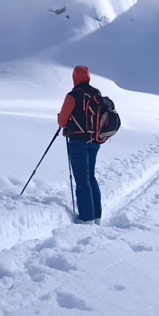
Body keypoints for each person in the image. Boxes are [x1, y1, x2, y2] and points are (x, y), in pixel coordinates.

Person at [57, 65, 103, 224]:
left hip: (78, 141)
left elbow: (62, 120)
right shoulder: (96, 93)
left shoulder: (73, 95)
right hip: (95, 140)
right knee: (91, 177)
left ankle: (86, 218)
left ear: (75, 78)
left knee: (82, 179)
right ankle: (97, 216)